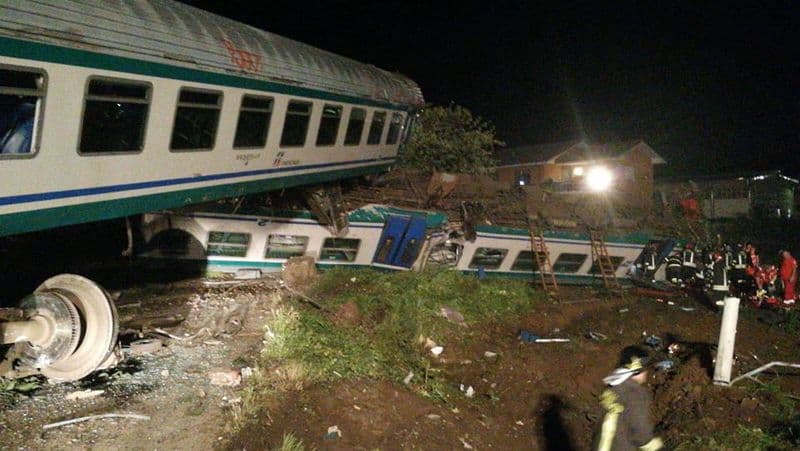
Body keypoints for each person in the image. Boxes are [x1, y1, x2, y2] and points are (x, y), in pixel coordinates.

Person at [596, 346, 663, 451]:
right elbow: (640, 431)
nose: (647, 373)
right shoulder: (635, 394)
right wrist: (653, 445)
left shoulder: (611, 389)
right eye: (646, 369)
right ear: (638, 370)